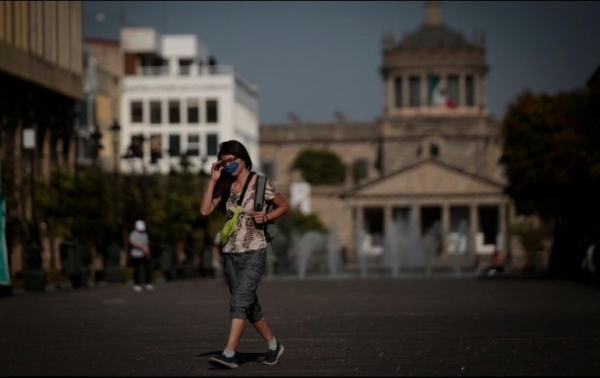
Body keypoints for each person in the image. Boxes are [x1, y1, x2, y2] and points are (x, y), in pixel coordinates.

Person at [200, 140, 290, 369]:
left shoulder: (261, 184)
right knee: (249, 305)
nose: (229, 165)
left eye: (233, 161)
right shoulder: (225, 185)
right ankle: (273, 344)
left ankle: (229, 353)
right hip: (231, 252)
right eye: (224, 162)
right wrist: (212, 181)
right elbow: (205, 211)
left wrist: (267, 217)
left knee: (239, 301)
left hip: (255, 250)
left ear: (243, 159)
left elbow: (283, 206)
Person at [128, 220, 154, 292]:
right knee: (136, 270)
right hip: (136, 255)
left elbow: (147, 244)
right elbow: (132, 243)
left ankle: (148, 283)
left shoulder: (144, 234)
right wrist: (141, 246)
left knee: (147, 268)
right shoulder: (133, 234)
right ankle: (136, 284)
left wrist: (148, 253)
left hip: (144, 254)